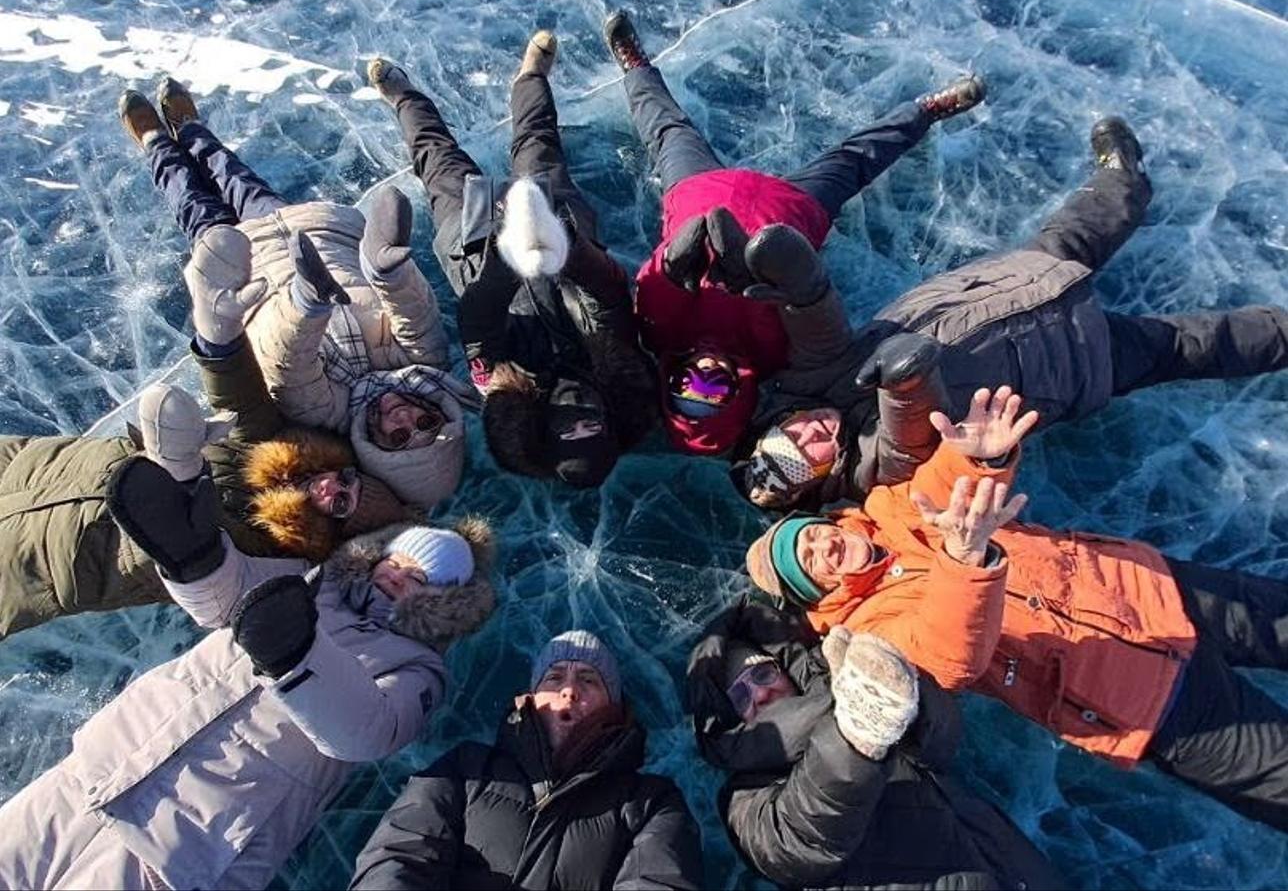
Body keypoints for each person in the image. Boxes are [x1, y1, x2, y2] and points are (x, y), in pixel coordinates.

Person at [745, 385, 1288, 832]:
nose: (823, 549)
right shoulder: (868, 627)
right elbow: (948, 655)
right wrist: (964, 559)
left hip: (1149, 588)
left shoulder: (883, 510)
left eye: (810, 538)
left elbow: (943, 486)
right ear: (817, 592)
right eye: (810, 563)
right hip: (1143, 702)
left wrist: (982, 457)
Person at [0, 446, 496, 890]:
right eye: (397, 560)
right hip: (102, 767)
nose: (398, 575)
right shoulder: (306, 581)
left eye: (421, 577)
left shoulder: (418, 670)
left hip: (191, 845)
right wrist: (193, 558)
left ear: (444, 600)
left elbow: (365, 733)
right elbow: (225, 595)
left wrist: (297, 657)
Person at [730, 116, 1288, 509]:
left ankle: (1125, 177)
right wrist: (906, 386)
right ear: (825, 473)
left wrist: (803, 286)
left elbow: (819, 331)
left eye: (795, 435)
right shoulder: (869, 471)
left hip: (1005, 290)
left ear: (780, 422)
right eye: (814, 454)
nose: (814, 434)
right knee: (1198, 344)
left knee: (1078, 229)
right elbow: (906, 442)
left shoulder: (806, 383)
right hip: (1067, 361)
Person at [602, 8, 986, 457]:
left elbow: (652, 292)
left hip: (699, 198)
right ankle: (924, 111)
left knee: (666, 130)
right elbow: (810, 308)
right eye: (714, 389)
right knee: (856, 160)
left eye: (689, 385)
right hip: (789, 213)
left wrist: (671, 267)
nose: (704, 372)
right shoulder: (774, 359)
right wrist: (768, 279)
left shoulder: (661, 337)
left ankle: (635, 66)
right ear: (738, 395)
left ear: (671, 383)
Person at [119, 80, 480, 507]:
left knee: (192, 202)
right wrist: (388, 269)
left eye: (401, 436)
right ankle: (191, 128)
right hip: (306, 237)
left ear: (377, 450)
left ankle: (156, 141)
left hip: (247, 276)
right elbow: (415, 315)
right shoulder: (425, 366)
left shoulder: (326, 413)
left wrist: (308, 304)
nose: (407, 417)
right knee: (234, 175)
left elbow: (292, 365)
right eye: (426, 422)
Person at [0, 295, 411, 640]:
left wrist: (181, 471)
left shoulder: (266, 553)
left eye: (341, 504)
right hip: (36, 465)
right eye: (346, 479)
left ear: (334, 531)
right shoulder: (276, 448)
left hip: (44, 557)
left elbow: (216, 586)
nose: (330, 488)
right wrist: (221, 333)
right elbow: (241, 396)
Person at [365, 31, 657, 488]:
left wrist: (512, 255)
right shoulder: (620, 373)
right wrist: (560, 248)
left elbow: (479, 321)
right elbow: (609, 297)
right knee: (538, 145)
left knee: (439, 162)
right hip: (559, 242)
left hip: (479, 254)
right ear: (609, 421)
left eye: (568, 428)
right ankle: (531, 77)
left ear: (545, 429)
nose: (578, 414)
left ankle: (404, 98)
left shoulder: (502, 393)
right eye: (592, 425)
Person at [687, 594, 1061, 889]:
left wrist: (906, 691)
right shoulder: (745, 796)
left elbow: (942, 741)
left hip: (1018, 869)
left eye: (764, 674)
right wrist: (856, 736)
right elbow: (802, 842)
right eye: (740, 696)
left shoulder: (852, 689)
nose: (762, 695)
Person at [349, 629, 704, 889]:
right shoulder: (464, 768)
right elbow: (398, 855)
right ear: (531, 698)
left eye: (589, 679)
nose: (569, 688)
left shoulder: (652, 802)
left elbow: (659, 882)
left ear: (613, 706)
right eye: (553, 677)